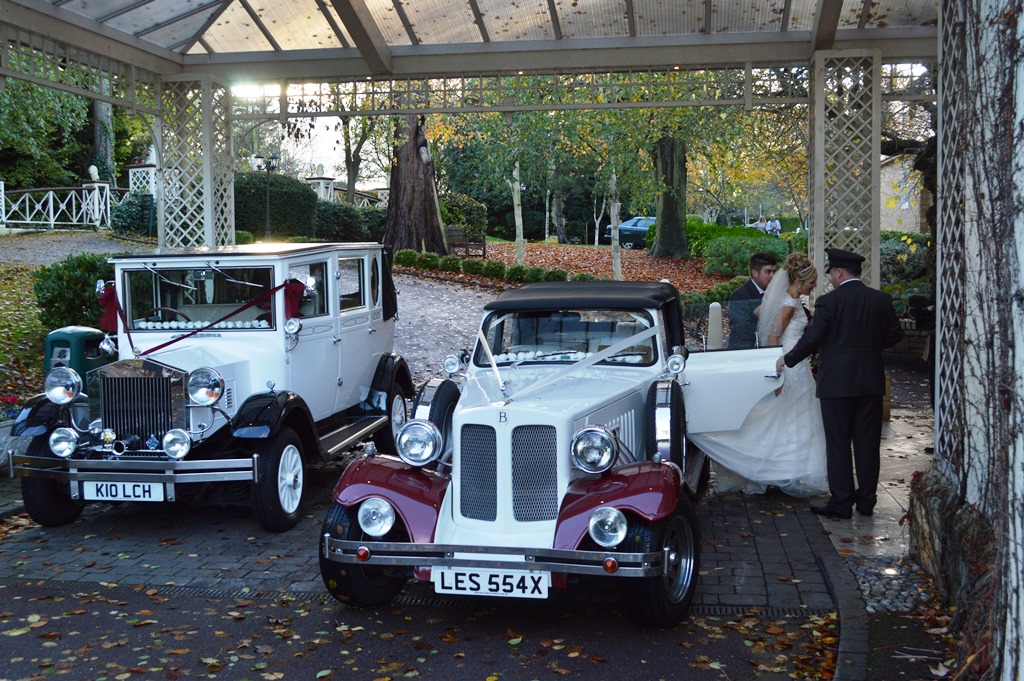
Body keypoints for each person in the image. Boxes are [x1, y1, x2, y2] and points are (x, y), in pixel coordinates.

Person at [776, 248, 904, 519]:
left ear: (840, 272)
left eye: (832, 274)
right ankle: (867, 502)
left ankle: (842, 502)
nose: (831, 279)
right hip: (869, 381)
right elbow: (895, 334)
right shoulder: (880, 299)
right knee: (868, 444)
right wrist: (869, 349)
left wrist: (787, 360)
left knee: (838, 443)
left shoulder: (829, 302)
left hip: (836, 383)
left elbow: (813, 339)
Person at [691, 252, 827, 497]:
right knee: (784, 418)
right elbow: (773, 336)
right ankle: (776, 469)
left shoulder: (794, 301)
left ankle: (789, 469)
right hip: (789, 364)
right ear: (799, 281)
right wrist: (778, 366)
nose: (813, 286)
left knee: (794, 420)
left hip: (797, 363)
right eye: (811, 282)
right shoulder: (788, 304)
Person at [727, 252, 778, 349]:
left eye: (774, 272)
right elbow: (741, 328)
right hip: (743, 350)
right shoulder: (739, 295)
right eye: (768, 272)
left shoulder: (775, 292)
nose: (773, 276)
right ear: (755, 273)